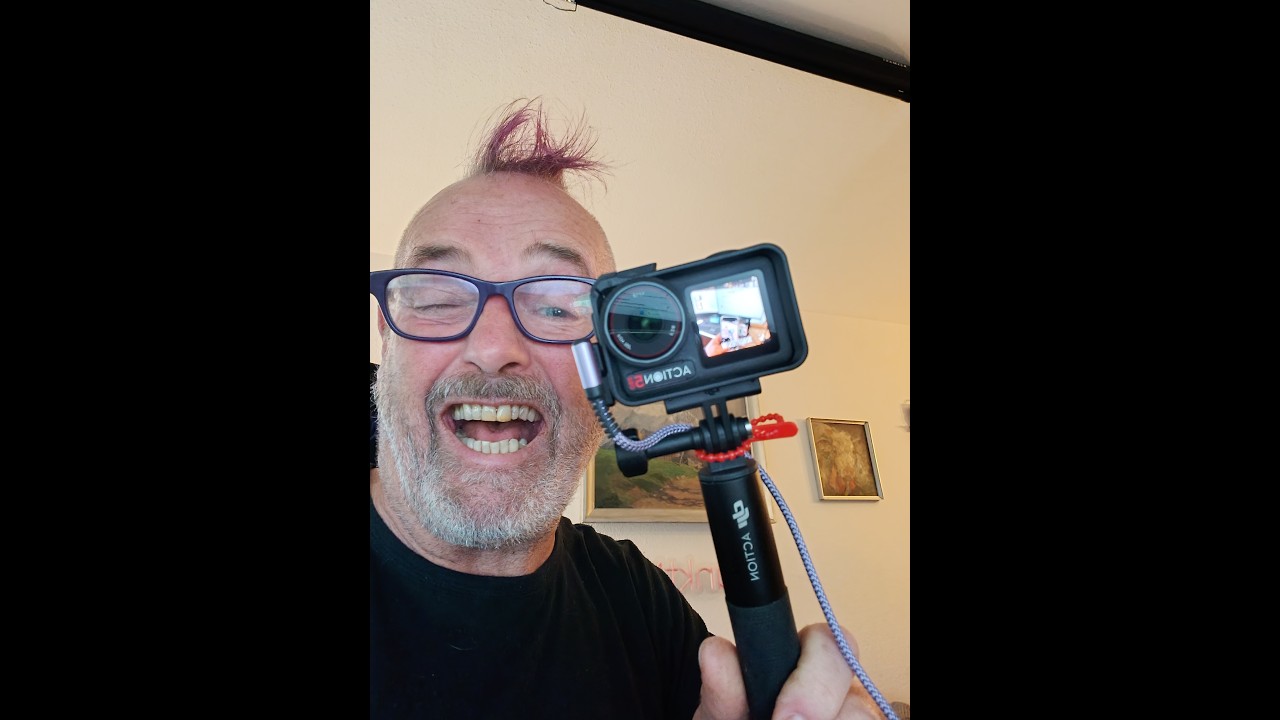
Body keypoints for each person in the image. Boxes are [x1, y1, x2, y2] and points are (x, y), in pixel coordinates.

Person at [370, 98, 885, 719]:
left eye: (558, 307)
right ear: (385, 333)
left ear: (610, 359)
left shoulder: (636, 595)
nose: (495, 348)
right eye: (436, 298)